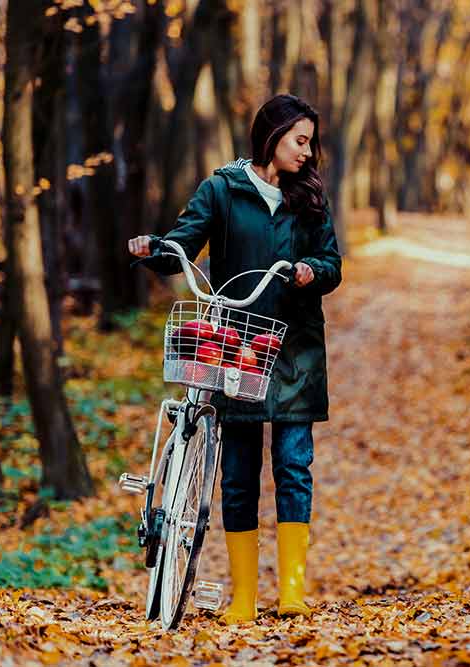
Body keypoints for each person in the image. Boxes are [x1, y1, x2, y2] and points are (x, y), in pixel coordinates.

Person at [128, 94, 342, 624]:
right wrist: (152, 248)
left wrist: (313, 270)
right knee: (240, 473)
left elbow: (333, 262)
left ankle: (291, 591)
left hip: (295, 351)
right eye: (299, 140)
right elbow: (182, 243)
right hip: (237, 349)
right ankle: (243, 596)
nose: (306, 152)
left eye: (310, 142)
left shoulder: (310, 197)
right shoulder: (222, 189)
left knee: (294, 467)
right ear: (272, 137)